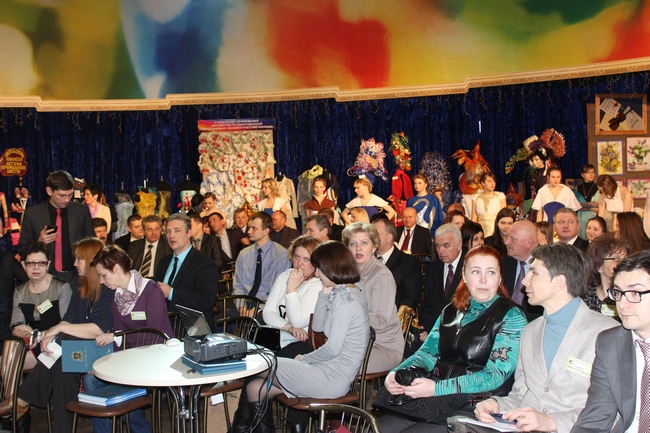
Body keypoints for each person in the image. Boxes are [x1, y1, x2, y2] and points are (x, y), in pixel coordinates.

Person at [376, 245, 527, 432]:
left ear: (500, 278)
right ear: (464, 275)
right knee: (378, 428)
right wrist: (396, 373)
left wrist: (436, 388)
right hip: (438, 398)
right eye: (475, 271)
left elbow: (494, 376)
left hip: (479, 405)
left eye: (491, 272)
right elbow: (427, 354)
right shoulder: (451, 310)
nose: (483, 280)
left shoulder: (512, 316)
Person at [471, 243, 619, 433]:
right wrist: (497, 404)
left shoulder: (608, 334)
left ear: (559, 282)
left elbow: (614, 411)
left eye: (534, 273)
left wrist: (554, 421)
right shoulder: (530, 331)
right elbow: (521, 395)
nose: (525, 281)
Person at [229, 241, 370, 433]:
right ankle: (240, 430)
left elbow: (333, 349)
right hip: (323, 370)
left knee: (261, 364)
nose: (316, 274)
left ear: (329, 268)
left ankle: (238, 430)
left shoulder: (346, 299)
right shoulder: (340, 292)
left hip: (330, 378)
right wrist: (324, 292)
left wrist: (303, 359)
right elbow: (318, 327)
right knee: (255, 387)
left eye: (319, 269)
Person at [17, 237, 113, 433]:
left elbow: (99, 329)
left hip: (106, 350)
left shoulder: (109, 289)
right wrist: (49, 335)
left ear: (91, 260)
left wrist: (58, 331)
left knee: (64, 342)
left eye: (79, 259)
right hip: (78, 351)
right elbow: (68, 320)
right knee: (64, 362)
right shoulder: (81, 287)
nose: (75, 263)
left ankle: (22, 399)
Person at [86, 245, 174, 433]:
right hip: (131, 357)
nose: (101, 281)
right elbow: (120, 339)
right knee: (91, 380)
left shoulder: (150, 290)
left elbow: (153, 334)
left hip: (157, 355)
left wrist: (117, 337)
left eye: (103, 275)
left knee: (123, 383)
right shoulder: (117, 296)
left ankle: (141, 429)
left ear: (116, 269)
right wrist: (110, 365)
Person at [571, 250, 650, 432]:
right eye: (619, 293)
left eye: (635, 293)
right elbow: (596, 418)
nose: (622, 304)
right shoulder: (611, 343)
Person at [342, 222, 403, 374]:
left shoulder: (381, 275)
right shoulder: (348, 273)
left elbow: (381, 321)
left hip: (382, 346)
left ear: (374, 247)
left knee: (335, 366)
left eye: (364, 243)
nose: (358, 248)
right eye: (353, 244)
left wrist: (346, 315)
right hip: (356, 342)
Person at [18, 170, 94, 286]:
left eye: (70, 194)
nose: (67, 199)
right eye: (62, 195)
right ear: (49, 191)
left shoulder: (81, 211)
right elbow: (22, 249)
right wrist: (39, 243)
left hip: (76, 275)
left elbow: (92, 244)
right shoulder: (32, 214)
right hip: (45, 276)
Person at [11, 242, 72, 370]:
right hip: (32, 342)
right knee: (6, 363)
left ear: (48, 264)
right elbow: (16, 324)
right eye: (31, 263)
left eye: (41, 263)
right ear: (23, 265)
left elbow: (67, 323)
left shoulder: (61, 287)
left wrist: (42, 336)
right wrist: (26, 334)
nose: (36, 268)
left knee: (10, 365)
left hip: (57, 340)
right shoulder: (20, 291)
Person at [154, 213, 221, 326]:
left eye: (177, 231)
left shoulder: (204, 263)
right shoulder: (163, 262)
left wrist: (171, 293)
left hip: (191, 328)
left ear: (189, 233)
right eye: (168, 231)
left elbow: (206, 300)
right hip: (163, 325)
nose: (171, 235)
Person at [262, 235, 322, 357]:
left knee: (271, 362)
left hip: (304, 342)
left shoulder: (317, 284)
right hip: (278, 336)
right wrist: (288, 327)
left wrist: (291, 289)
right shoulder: (285, 275)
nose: (299, 263)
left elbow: (298, 322)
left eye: (306, 259)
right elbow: (267, 312)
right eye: (296, 257)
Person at [233, 212, 291, 313]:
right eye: (249, 227)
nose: (249, 231)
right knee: (218, 320)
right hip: (245, 303)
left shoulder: (281, 255)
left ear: (266, 231)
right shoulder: (244, 254)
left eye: (254, 228)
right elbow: (238, 285)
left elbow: (279, 290)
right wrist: (241, 307)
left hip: (267, 306)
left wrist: (258, 309)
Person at [419, 223, 466, 335]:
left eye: (446, 246)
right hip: (435, 331)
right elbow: (428, 305)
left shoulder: (471, 267)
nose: (441, 251)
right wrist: (427, 330)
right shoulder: (433, 269)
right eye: (438, 246)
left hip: (462, 332)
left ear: (459, 245)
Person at [373, 218, 423, 310]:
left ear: (388, 237)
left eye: (374, 234)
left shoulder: (408, 263)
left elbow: (410, 299)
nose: (370, 238)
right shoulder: (366, 261)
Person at [502, 220, 543, 320]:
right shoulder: (502, 263)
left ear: (529, 243)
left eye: (512, 239)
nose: (506, 242)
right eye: (507, 237)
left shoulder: (546, 265)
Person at [583, 234, 630, 320]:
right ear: (599, 266)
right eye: (616, 259)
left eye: (626, 259)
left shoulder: (630, 296)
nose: (624, 263)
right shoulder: (585, 297)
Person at [0, 250, 28, 336]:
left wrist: (16, 297)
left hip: (6, 316)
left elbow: (26, 282)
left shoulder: (8, 259)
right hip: (7, 314)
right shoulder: (8, 258)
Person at [472, 172, 506, 237]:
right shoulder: (476, 197)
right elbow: (474, 218)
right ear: (483, 183)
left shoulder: (500, 196)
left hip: (496, 229)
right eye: (489, 181)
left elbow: (503, 216)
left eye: (493, 181)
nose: (492, 183)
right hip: (481, 229)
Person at [574, 164, 599, 239]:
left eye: (592, 172)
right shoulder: (577, 188)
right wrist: (591, 207)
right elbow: (575, 206)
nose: (591, 175)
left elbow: (597, 204)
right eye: (588, 172)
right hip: (580, 218)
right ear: (582, 175)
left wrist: (581, 205)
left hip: (595, 217)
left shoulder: (598, 187)